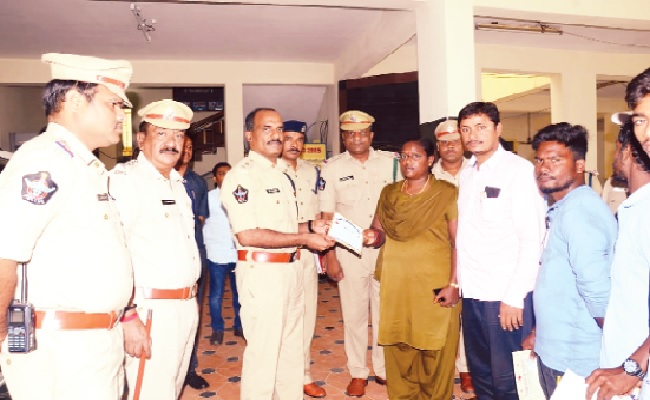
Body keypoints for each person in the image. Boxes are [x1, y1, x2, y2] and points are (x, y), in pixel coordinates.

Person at [0, 53, 134, 399]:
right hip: (61, 348)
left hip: (91, 341)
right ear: (75, 100)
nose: (121, 115)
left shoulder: (82, 165)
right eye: (113, 104)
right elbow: (3, 253)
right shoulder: (45, 160)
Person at [220, 107, 334, 400]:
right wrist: (305, 238)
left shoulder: (282, 174)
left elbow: (282, 227)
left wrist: (311, 226)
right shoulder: (242, 176)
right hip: (263, 274)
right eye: (266, 128)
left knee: (291, 351)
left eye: (279, 129)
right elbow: (248, 234)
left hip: (291, 269)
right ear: (249, 135)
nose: (276, 135)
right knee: (264, 354)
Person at [109, 99, 201, 400]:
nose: (171, 142)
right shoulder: (126, 181)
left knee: (170, 389)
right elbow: (113, 250)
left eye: (178, 135)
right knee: (150, 391)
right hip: (150, 310)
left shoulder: (176, 183)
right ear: (141, 139)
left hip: (185, 305)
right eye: (161, 133)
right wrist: (128, 315)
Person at [456, 101, 546, 400]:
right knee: (481, 373)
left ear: (498, 129)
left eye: (481, 127)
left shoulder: (519, 171)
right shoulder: (467, 173)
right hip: (473, 292)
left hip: (504, 296)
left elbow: (532, 238)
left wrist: (515, 297)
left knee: (510, 379)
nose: (473, 135)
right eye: (466, 129)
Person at [522, 123, 616, 399]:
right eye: (539, 160)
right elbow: (561, 281)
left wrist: (618, 353)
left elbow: (596, 290)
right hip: (556, 347)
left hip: (576, 359)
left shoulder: (580, 212)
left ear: (579, 166)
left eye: (555, 160)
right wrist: (539, 331)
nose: (544, 167)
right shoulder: (564, 207)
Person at [362, 138, 461, 399]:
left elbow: (458, 241)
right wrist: (371, 237)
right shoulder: (389, 193)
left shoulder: (446, 192)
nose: (408, 162)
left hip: (434, 284)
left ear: (430, 160)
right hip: (396, 282)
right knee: (399, 344)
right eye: (404, 156)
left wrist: (454, 283)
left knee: (434, 345)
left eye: (416, 156)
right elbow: (379, 232)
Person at [318, 110, 399, 397]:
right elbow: (327, 216)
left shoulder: (392, 163)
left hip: (386, 251)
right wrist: (330, 256)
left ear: (371, 136)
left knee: (384, 313)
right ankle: (357, 371)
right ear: (344, 138)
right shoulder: (332, 168)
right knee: (353, 315)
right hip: (348, 252)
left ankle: (383, 368)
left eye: (362, 133)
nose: (356, 138)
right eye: (350, 134)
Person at [585, 121, 650, 400]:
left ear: (628, 152)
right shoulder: (632, 208)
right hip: (623, 364)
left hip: (636, 373)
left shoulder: (646, 212)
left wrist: (633, 367)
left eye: (616, 148)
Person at [281, 120, 326, 398]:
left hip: (308, 253)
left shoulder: (312, 172)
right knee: (281, 317)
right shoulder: (271, 171)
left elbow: (319, 211)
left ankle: (303, 375)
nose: (294, 145)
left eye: (299, 139)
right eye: (288, 139)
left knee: (307, 316)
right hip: (279, 253)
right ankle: (281, 375)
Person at [430, 119, 474, 395]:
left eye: (455, 142)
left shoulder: (477, 171)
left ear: (463, 144)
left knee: (470, 314)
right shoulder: (429, 176)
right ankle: (442, 366)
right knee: (442, 313)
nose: (450, 147)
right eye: (444, 143)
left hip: (474, 254)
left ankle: (466, 369)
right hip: (440, 255)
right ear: (438, 146)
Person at [176, 135, 211, 390]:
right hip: (165, 257)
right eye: (183, 146)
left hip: (195, 254)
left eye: (190, 147)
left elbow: (200, 219)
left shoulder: (198, 182)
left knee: (193, 313)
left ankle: (190, 368)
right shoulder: (160, 179)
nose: (186, 151)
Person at [203, 162, 242, 346]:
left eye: (228, 173)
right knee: (216, 295)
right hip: (216, 253)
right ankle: (217, 329)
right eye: (221, 173)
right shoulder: (208, 198)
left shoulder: (241, 196)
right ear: (214, 177)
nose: (225, 177)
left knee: (239, 293)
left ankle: (240, 325)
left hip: (237, 252)